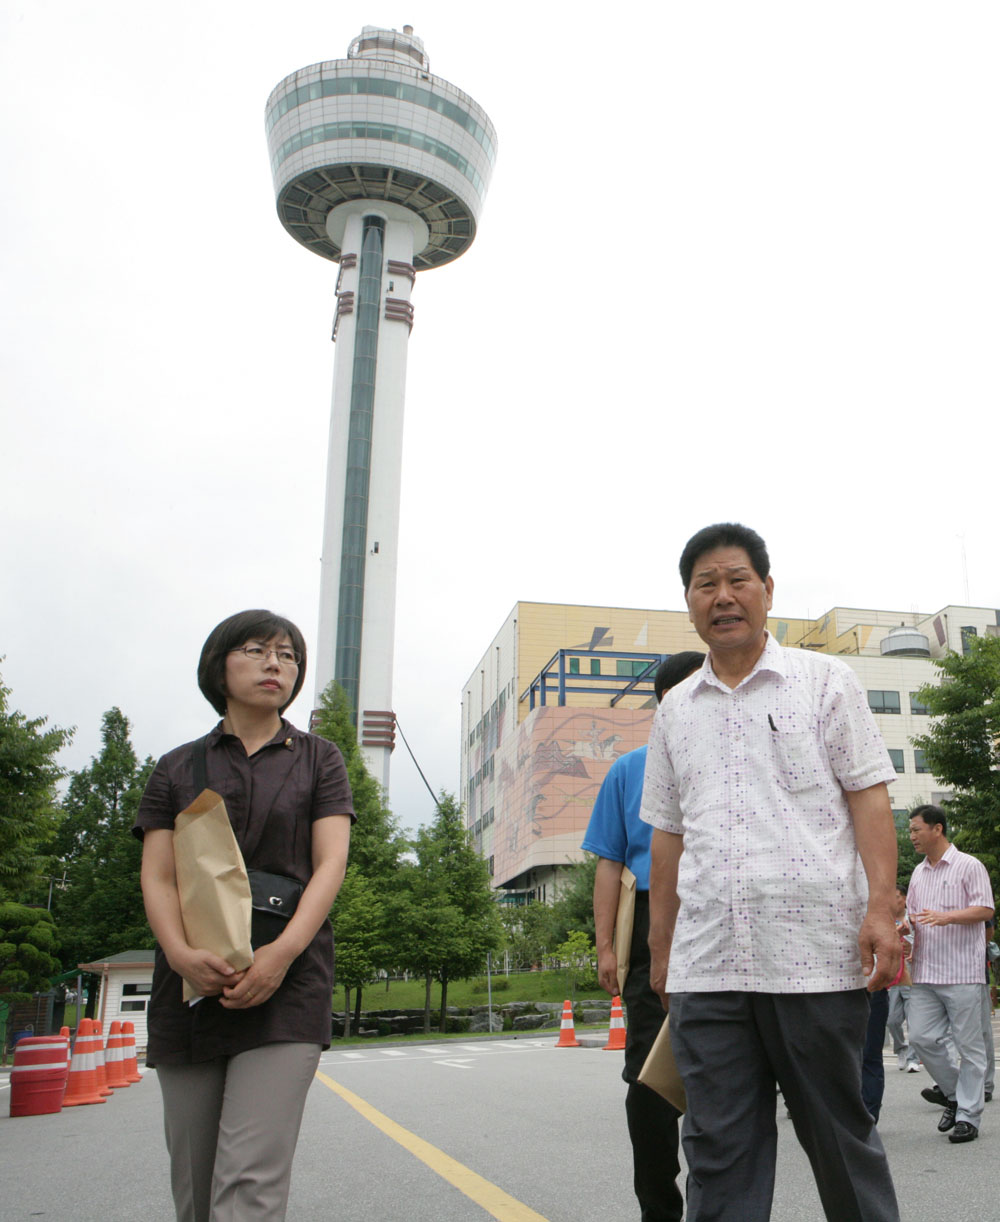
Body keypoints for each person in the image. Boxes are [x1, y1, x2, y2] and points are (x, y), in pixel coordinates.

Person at [641, 522, 900, 1222]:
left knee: (840, 1139)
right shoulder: (673, 711)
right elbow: (667, 838)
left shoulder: (825, 682)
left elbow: (870, 796)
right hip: (708, 966)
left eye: (737, 580)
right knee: (718, 1151)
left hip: (814, 960)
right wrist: (661, 951)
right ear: (689, 602)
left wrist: (883, 910)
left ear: (767, 591)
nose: (723, 597)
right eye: (706, 585)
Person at [134, 610, 354, 1221]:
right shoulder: (178, 767)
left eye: (288, 655)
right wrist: (180, 955)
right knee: (197, 1190)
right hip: (190, 987)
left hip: (288, 986)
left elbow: (330, 864)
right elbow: (158, 875)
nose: (275, 664)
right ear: (218, 666)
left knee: (250, 1182)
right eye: (257, 650)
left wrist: (281, 956)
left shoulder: (320, 759)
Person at [583, 650, 706, 1222]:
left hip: (722, 915)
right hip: (652, 920)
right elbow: (609, 863)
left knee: (723, 1069)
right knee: (650, 1074)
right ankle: (659, 1208)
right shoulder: (628, 770)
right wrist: (606, 947)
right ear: (662, 705)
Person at [906, 804, 994, 1144]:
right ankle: (956, 1094)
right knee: (921, 1038)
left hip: (961, 972)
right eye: (911, 830)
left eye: (916, 829)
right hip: (926, 970)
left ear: (937, 829)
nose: (911, 835)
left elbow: (985, 909)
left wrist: (948, 917)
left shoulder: (969, 866)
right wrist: (904, 928)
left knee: (970, 1048)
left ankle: (968, 1117)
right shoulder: (918, 873)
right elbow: (914, 917)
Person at [886, 885, 920, 1072]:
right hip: (893, 978)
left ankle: (913, 1059)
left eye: (897, 896)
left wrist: (914, 953)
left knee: (914, 1020)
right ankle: (901, 1049)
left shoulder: (913, 920)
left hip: (912, 976)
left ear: (905, 899)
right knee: (892, 1020)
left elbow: (923, 942)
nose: (893, 900)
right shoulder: (886, 921)